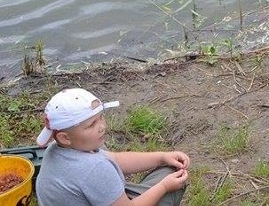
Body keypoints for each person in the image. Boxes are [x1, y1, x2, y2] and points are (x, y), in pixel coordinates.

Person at [35, 87, 190, 206]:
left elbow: (117, 159)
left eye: (101, 117)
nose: (102, 126)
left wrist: (162, 157)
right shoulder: (94, 169)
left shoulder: (57, 148)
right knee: (174, 176)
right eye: (91, 125)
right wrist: (164, 186)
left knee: (167, 167)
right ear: (65, 137)